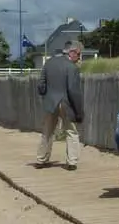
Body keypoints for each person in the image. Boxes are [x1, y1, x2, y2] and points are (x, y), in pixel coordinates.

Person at [35, 41, 84, 170]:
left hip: (50, 102)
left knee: (47, 131)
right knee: (71, 131)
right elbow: (74, 91)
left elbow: (41, 86)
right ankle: (72, 162)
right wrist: (79, 112)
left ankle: (41, 159)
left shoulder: (49, 63)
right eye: (78, 54)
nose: (79, 57)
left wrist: (46, 96)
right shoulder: (72, 68)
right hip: (65, 102)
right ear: (71, 52)